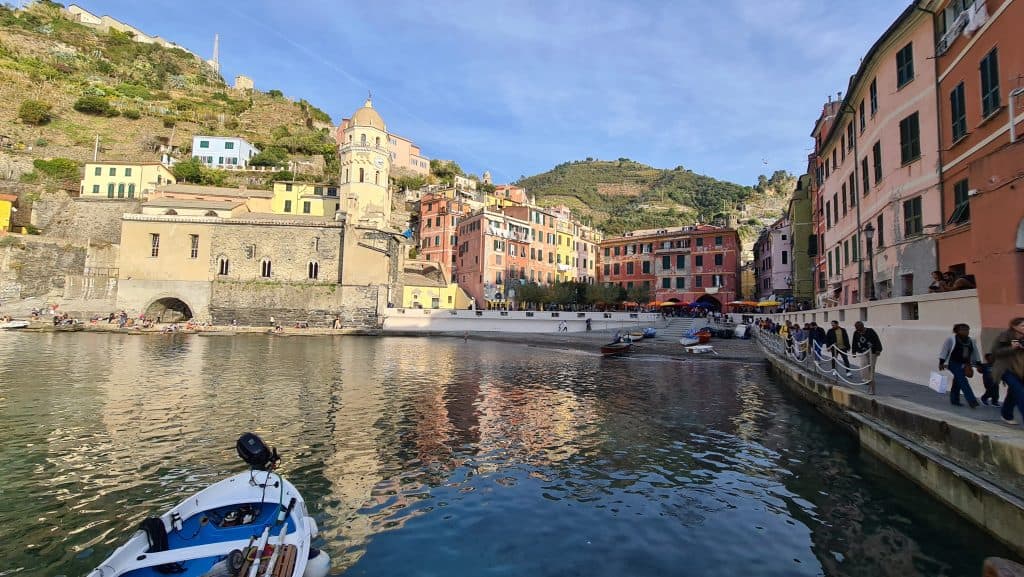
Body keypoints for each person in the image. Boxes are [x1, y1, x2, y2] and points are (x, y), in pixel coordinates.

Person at [938, 323, 982, 408]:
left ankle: (954, 400)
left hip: (965, 364)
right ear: (957, 331)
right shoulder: (951, 339)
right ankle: (972, 401)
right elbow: (945, 350)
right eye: (963, 330)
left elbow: (975, 353)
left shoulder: (971, 341)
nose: (966, 332)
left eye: (967, 330)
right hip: (953, 363)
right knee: (962, 379)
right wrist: (941, 362)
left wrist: (978, 363)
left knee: (958, 380)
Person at [993, 317, 1024, 425]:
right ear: (1014, 327)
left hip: (1020, 371)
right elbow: (996, 352)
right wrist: (1012, 347)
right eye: (1022, 326)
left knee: (1014, 393)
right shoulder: (1005, 336)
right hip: (1007, 370)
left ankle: (1006, 414)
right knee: (1021, 393)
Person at [852, 321, 883, 394]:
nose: (857, 329)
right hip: (862, 351)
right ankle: (866, 379)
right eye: (856, 327)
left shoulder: (870, 331)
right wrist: (853, 351)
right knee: (863, 365)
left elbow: (876, 339)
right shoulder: (856, 333)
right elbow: (854, 342)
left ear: (862, 326)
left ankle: (871, 379)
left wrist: (878, 349)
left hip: (872, 351)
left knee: (871, 366)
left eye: (858, 327)